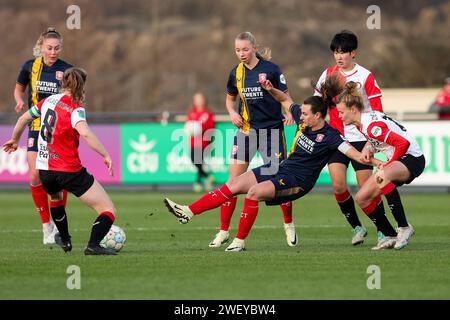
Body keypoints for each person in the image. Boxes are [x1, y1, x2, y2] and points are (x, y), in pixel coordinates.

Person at [164, 76, 396, 252]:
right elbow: (285, 100)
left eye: (305, 114)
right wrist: (270, 88)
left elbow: (355, 155)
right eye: (301, 113)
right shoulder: (303, 120)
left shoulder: (332, 136)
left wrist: (379, 162)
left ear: (317, 116)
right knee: (234, 184)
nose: (300, 116)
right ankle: (188, 211)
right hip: (279, 169)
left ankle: (239, 241)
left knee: (253, 193)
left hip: (298, 181)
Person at [4, 67, 119, 255]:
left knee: (56, 198)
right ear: (81, 87)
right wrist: (105, 154)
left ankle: (65, 239)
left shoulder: (48, 101)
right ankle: (93, 245)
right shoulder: (75, 109)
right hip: (69, 170)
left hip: (46, 171)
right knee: (107, 209)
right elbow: (85, 133)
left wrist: (15, 139)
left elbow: (24, 118)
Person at [207, 31, 297, 249]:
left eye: (245, 49)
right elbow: (230, 101)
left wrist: (290, 113)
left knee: (281, 181)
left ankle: (289, 224)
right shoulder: (235, 73)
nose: (241, 54)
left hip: (273, 132)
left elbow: (285, 97)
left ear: (255, 48)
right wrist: (232, 113)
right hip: (246, 132)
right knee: (232, 184)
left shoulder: (271, 69)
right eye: (237, 50)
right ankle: (223, 231)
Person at [314, 30, 385, 246]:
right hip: (336, 139)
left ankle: (383, 229)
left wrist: (370, 142)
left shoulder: (365, 76)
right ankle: (357, 227)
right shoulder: (328, 75)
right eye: (336, 52)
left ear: (353, 53)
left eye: (344, 52)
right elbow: (317, 104)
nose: (339, 56)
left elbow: (378, 110)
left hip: (361, 139)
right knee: (338, 186)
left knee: (367, 189)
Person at [336, 81, 425, 249]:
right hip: (400, 160)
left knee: (382, 175)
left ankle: (404, 227)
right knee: (362, 198)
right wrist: (368, 147)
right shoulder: (364, 122)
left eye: (341, 112)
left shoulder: (370, 125)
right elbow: (376, 139)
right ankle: (389, 235)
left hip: (412, 158)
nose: (339, 116)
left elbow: (402, 143)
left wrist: (388, 164)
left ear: (353, 110)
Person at [14, 27, 73, 245]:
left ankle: (59, 224)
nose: (53, 52)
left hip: (59, 129)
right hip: (37, 125)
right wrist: (20, 100)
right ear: (41, 47)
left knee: (59, 177)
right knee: (34, 176)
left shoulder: (67, 70)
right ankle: (46, 226)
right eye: (49, 48)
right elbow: (18, 89)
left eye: (57, 48)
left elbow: (74, 96)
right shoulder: (30, 66)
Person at [185, 92, 215, 192]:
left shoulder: (208, 113)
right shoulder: (191, 113)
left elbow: (211, 126)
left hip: (203, 142)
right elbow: (188, 125)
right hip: (194, 141)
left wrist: (199, 128)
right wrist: (190, 129)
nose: (199, 101)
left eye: (201, 99)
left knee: (198, 160)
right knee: (195, 160)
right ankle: (206, 178)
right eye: (197, 99)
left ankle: (198, 182)